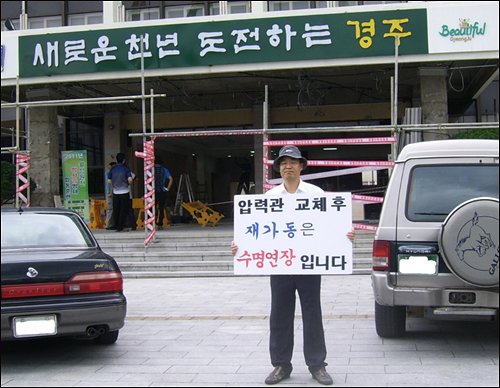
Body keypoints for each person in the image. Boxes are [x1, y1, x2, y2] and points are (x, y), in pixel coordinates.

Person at [231, 145, 355, 386]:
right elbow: (256, 232)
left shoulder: (315, 194)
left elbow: (331, 226)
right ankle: (281, 365)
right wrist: (240, 246)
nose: (288, 166)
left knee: (312, 313)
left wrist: (346, 236)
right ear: (278, 168)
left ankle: (317, 365)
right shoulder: (270, 198)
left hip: (309, 265)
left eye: (293, 161)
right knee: (280, 315)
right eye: (283, 162)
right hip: (280, 266)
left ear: (301, 166)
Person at [108, 153, 133, 232]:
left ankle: (116, 226)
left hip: (116, 192)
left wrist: (115, 184)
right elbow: (130, 179)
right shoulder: (126, 168)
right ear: (124, 160)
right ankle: (121, 226)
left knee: (116, 209)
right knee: (123, 210)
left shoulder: (113, 169)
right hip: (124, 192)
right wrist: (128, 184)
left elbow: (109, 181)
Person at [154, 156, 173, 230]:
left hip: (154, 191)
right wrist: (167, 188)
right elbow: (171, 179)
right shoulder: (165, 170)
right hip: (162, 191)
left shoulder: (151, 170)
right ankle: (160, 224)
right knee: (161, 208)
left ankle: (153, 223)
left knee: (153, 208)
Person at [105, 162, 116, 230]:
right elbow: (111, 183)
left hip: (113, 192)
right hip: (110, 193)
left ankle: (112, 224)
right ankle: (109, 224)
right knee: (110, 209)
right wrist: (111, 193)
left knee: (112, 209)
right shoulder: (108, 173)